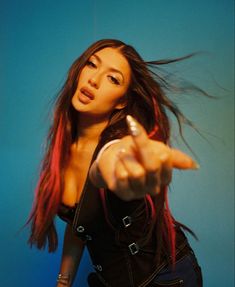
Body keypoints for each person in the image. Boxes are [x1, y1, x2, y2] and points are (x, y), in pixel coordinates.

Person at [27, 39, 203, 286]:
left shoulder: (118, 143)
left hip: (166, 278)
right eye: (92, 64)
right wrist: (63, 282)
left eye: (113, 78)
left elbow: (110, 161)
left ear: (122, 101)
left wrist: (120, 166)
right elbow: (79, 225)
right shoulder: (63, 147)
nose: (94, 80)